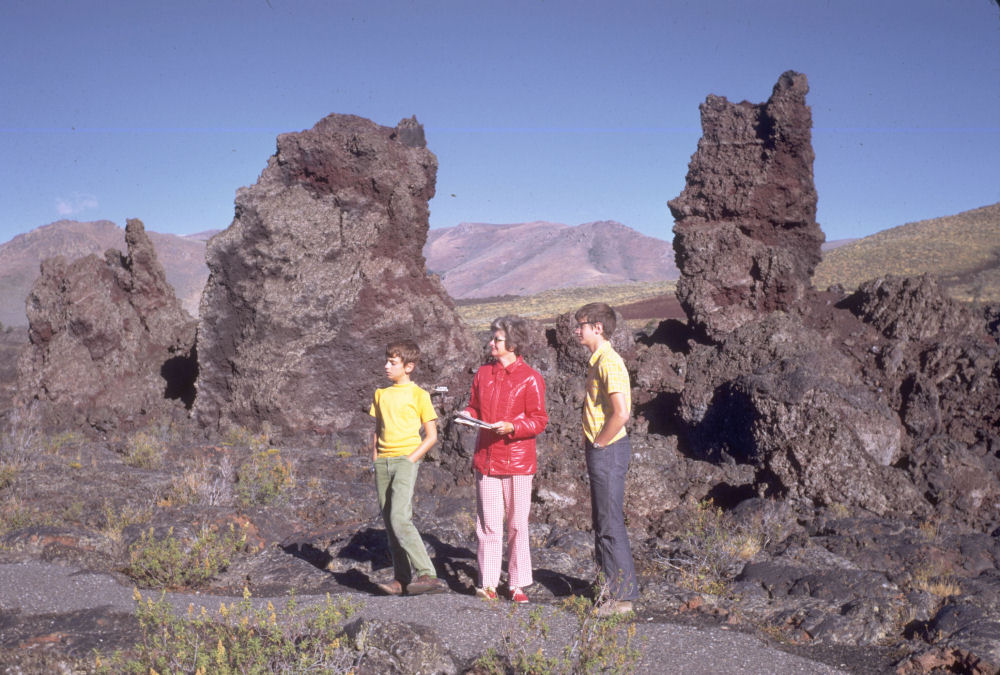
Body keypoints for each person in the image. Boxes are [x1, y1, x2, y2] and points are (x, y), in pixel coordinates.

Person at [461, 316, 548, 603]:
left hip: (518, 462)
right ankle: (487, 583)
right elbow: (475, 407)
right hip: (486, 459)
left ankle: (517, 584)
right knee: (487, 524)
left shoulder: (531, 378)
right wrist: (467, 416)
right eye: (493, 338)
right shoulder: (483, 374)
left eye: (497, 339)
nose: (491, 343)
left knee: (517, 524)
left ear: (513, 343)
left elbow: (539, 420)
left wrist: (513, 427)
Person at [574, 302, 638, 616]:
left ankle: (621, 598)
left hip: (608, 450)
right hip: (604, 448)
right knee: (603, 520)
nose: (577, 330)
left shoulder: (609, 362)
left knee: (610, 521)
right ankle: (609, 588)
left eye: (581, 324)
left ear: (597, 327)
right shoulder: (598, 360)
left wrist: (599, 444)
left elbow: (621, 412)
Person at [369, 340, 447, 596]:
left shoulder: (419, 395)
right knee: (390, 523)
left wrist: (410, 459)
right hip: (383, 463)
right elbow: (377, 429)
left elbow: (432, 435)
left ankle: (427, 574)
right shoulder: (381, 394)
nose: (387, 366)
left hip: (405, 460)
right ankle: (401, 579)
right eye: (387, 361)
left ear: (409, 366)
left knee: (399, 517)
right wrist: (375, 458)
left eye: (393, 363)